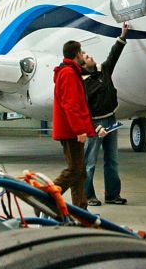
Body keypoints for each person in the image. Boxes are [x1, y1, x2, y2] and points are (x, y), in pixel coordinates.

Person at [82, 23, 130, 206]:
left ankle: (112, 195)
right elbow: (84, 111)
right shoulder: (83, 83)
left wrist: (123, 35)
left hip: (111, 120)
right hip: (96, 124)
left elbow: (114, 55)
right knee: (90, 162)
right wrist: (95, 128)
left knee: (112, 160)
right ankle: (88, 195)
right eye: (87, 57)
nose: (90, 57)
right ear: (83, 66)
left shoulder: (104, 70)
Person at [52, 40, 95, 209]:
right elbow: (71, 104)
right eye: (81, 52)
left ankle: (80, 209)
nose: (83, 54)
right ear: (77, 53)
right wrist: (79, 130)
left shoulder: (70, 72)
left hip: (71, 130)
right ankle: (48, 193)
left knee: (79, 172)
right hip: (71, 131)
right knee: (76, 171)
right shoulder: (69, 73)